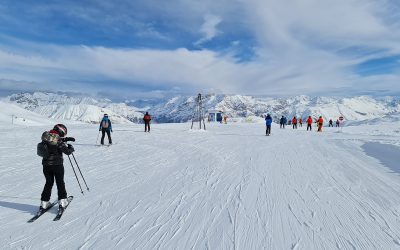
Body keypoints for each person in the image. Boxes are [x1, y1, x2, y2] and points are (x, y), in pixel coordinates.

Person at [37, 124, 75, 211]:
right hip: (57, 165)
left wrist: (65, 139)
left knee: (48, 183)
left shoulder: (46, 136)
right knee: (60, 182)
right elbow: (67, 152)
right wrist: (71, 148)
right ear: (61, 131)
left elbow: (53, 142)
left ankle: (44, 203)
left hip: (46, 165)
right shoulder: (58, 139)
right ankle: (62, 202)